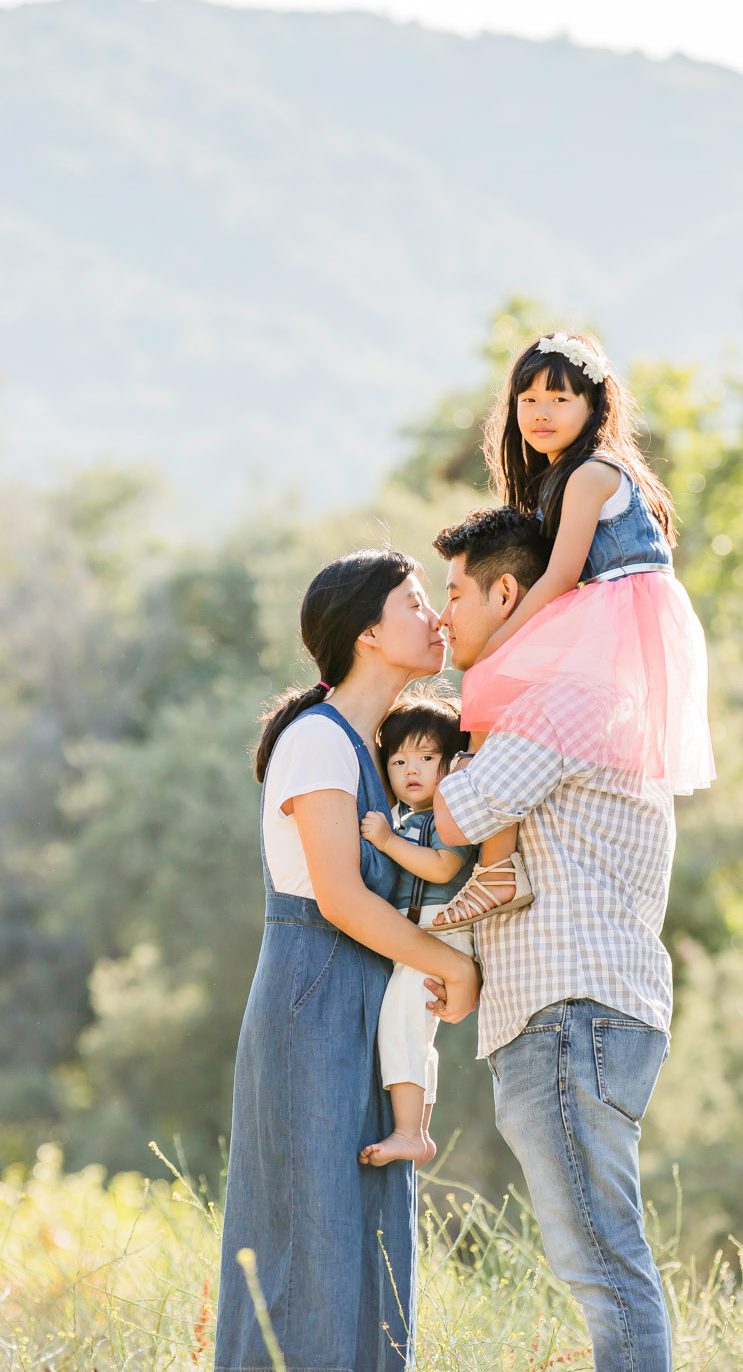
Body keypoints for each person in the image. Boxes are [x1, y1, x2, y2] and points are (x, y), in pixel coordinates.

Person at [429, 504, 682, 1372]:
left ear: (508, 592)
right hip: (577, 1011)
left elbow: (460, 812)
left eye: (454, 594)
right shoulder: (575, 691)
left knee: (605, 1269)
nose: (443, 615)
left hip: (571, 1011)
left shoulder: (563, 695)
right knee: (602, 1265)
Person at [215, 549, 482, 1372]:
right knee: (310, 1234)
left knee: (367, 1236)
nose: (435, 616)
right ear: (369, 632)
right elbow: (338, 896)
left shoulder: (385, 751)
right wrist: (455, 965)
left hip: (359, 998)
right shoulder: (317, 740)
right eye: (413, 602)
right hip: (312, 998)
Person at [433, 331, 712, 933]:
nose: (541, 413)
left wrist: (501, 643)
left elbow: (560, 575)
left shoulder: (590, 473)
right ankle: (497, 865)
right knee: (496, 693)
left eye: (559, 399)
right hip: (601, 610)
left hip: (617, 610)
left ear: (594, 406)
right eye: (528, 400)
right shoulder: (559, 477)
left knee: (493, 680)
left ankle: (497, 868)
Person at [355, 696, 479, 1168]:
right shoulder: (409, 819)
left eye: (427, 759)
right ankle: (418, 1131)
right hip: (421, 937)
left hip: (441, 934)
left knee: (401, 1026)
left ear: (451, 764)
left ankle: (410, 1132)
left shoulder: (450, 817)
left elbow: (444, 867)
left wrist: (386, 841)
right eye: (399, 760)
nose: (412, 769)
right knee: (414, 1030)